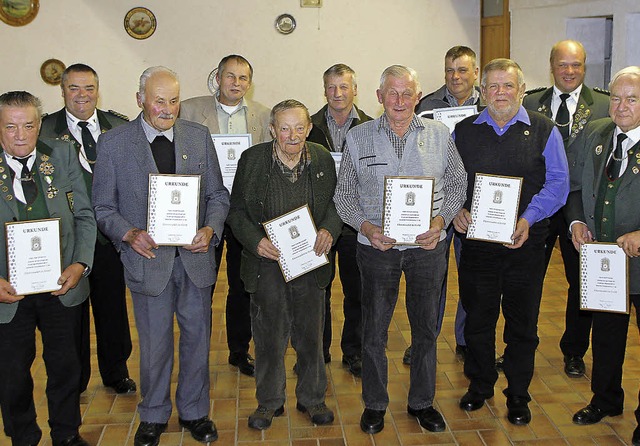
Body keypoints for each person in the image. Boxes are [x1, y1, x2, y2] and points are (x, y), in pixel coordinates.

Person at [92, 66, 229, 445]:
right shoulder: (115, 144)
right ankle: (152, 414)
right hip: (148, 262)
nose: (167, 109)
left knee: (198, 339)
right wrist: (129, 233)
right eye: (159, 101)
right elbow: (103, 206)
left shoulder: (198, 136)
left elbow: (217, 196)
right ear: (140, 101)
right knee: (154, 346)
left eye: (173, 101)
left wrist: (211, 229)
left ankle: (195, 411)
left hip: (195, 260)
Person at [334, 65, 467, 434]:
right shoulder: (358, 138)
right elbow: (344, 195)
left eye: (407, 93)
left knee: (425, 327)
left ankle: (422, 402)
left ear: (418, 97)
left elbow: (458, 184)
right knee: (374, 329)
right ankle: (375, 404)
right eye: (392, 93)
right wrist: (367, 228)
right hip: (377, 248)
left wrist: (441, 222)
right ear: (378, 97)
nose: (400, 101)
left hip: (428, 248)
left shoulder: (440, 135)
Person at [453, 58, 569, 425]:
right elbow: (450, 179)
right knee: (478, 318)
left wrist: (527, 219)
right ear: (481, 91)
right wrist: (456, 208)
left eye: (508, 86)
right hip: (477, 246)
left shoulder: (544, 130)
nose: (500, 93)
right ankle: (480, 383)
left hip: (526, 245)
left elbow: (558, 184)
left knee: (522, 323)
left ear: (522, 90)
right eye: (492, 87)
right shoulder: (463, 131)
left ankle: (518, 393)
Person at [228, 99, 342, 430]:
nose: (292, 135)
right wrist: (254, 241)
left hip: (309, 260)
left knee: (311, 333)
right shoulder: (252, 161)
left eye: (299, 127)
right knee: (268, 334)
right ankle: (269, 402)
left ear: (308, 128)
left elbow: (336, 205)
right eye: (284, 128)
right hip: (267, 263)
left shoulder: (321, 158)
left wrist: (328, 230)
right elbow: (235, 212)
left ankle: (312, 398)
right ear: (272, 130)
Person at [0, 91, 96, 446]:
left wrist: (80, 263)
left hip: (62, 285)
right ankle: (23, 435)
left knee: (66, 367)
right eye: (10, 127)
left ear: (39, 125)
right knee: (11, 374)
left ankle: (66, 433)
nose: (21, 135)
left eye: (28, 125)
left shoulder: (62, 154)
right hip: (8, 293)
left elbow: (85, 215)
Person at [39, 63, 136, 394]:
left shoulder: (119, 127)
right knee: (71, 311)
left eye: (89, 88)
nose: (82, 95)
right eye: (74, 88)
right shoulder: (43, 130)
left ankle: (115, 370)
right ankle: (76, 379)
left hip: (111, 236)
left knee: (112, 306)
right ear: (63, 90)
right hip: (67, 240)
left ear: (98, 90)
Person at [522, 40, 610, 378]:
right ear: (551, 65)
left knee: (580, 282)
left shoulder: (603, 104)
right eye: (563, 65)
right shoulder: (530, 102)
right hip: (539, 206)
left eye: (576, 65)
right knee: (527, 279)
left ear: (584, 66)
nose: (569, 71)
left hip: (580, 208)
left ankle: (574, 350)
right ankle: (520, 344)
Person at [180, 54, 271, 377]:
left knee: (241, 283)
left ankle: (238, 349)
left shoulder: (263, 115)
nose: (236, 83)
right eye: (230, 76)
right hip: (204, 212)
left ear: (250, 82)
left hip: (245, 213)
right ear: (217, 78)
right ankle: (196, 350)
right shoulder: (190, 110)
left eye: (243, 78)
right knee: (200, 283)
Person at [564, 67, 640, 443]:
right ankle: (605, 398)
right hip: (603, 262)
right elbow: (574, 186)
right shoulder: (596, 133)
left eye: (632, 98)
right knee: (606, 336)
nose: (621, 106)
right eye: (615, 97)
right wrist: (576, 221)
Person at [405, 45, 483, 366]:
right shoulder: (425, 107)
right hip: (436, 205)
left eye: (462, 70)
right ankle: (425, 340)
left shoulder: (487, 106)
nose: (455, 77)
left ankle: (465, 339)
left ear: (475, 73)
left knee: (471, 276)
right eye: (450, 70)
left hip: (474, 206)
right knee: (431, 278)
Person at [306, 63, 372, 376]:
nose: (338, 93)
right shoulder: (308, 126)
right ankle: (317, 352)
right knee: (318, 290)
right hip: (318, 222)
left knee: (356, 291)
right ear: (324, 90)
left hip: (355, 223)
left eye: (344, 86)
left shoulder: (372, 126)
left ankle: (354, 351)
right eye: (331, 87)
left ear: (355, 90)